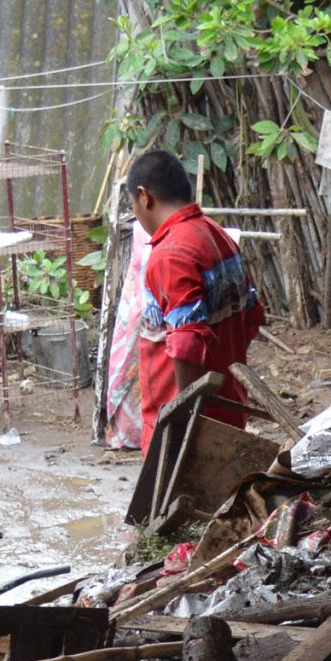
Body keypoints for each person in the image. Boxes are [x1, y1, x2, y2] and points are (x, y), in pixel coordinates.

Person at [128, 150, 262, 448]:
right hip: (227, 414)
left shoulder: (170, 254)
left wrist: (188, 422)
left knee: (170, 496)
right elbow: (251, 319)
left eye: (133, 205)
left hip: (183, 430)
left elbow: (187, 346)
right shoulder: (219, 236)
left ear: (144, 197)